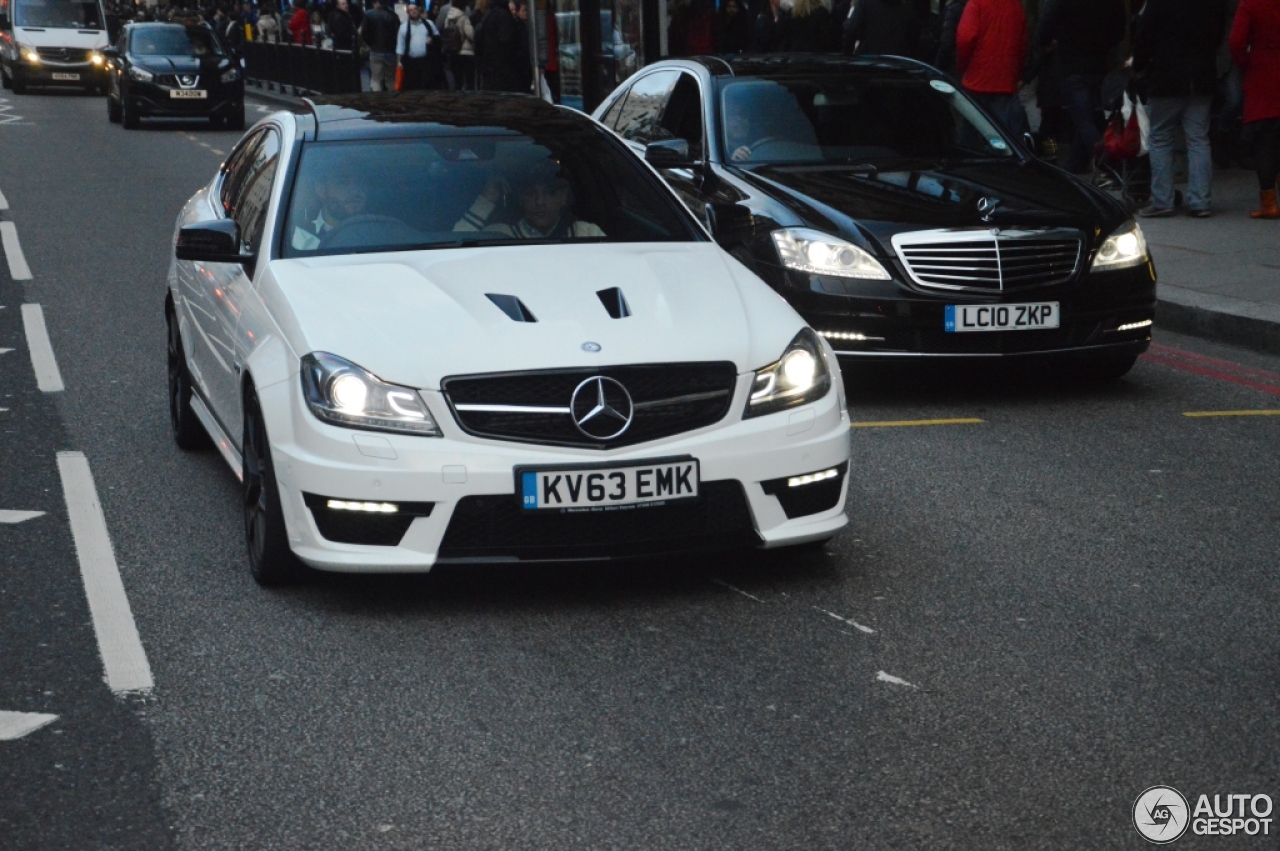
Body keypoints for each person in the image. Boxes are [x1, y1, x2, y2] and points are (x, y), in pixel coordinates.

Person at [1132, 0, 1228, 217]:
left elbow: (1144, 37)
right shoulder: (1213, 4)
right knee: (1198, 139)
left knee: (1160, 138)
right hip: (1202, 75)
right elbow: (1218, 35)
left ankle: (1162, 200)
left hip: (1167, 76)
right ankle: (1200, 201)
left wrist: (1138, 65)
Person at [1035, 0, 1127, 174]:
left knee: (1083, 121)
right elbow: (1119, 32)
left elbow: (1043, 31)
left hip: (1072, 64)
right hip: (1099, 63)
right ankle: (1074, 168)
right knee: (1085, 119)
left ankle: (1109, 160)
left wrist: (1056, 39)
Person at [454, 160, 604, 239]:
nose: (539, 201)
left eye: (549, 193)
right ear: (520, 199)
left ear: (563, 197)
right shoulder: (500, 234)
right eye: (531, 194)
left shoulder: (586, 233)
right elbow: (453, 250)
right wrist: (486, 200)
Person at [1229, 0, 1280, 218]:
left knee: (1266, 142)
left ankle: (1269, 203)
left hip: (1264, 73)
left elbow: (1236, 42)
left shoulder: (1251, 4)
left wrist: (1247, 62)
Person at [954, 0, 1029, 136]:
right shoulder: (1015, 6)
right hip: (1005, 81)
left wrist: (963, 65)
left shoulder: (976, 4)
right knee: (1003, 135)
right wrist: (1016, 72)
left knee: (971, 135)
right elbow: (1022, 44)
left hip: (976, 79)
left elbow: (965, 38)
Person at [291, 171, 369, 250]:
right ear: (321, 190)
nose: (354, 191)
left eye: (360, 182)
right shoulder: (298, 238)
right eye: (342, 182)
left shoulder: (378, 234)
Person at [476, 0, 526, 92]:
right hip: (502, 69)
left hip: (489, 66)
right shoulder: (503, 16)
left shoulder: (488, 14)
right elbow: (506, 41)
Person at [397, 0, 438, 90]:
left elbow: (438, 38)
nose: (414, 11)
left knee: (426, 85)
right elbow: (400, 46)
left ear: (419, 10)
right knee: (413, 86)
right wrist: (399, 62)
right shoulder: (403, 27)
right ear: (408, 13)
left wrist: (433, 40)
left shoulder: (429, 24)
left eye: (415, 9)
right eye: (411, 10)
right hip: (411, 62)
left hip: (426, 61)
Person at [361, 0, 400, 91]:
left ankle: (377, 101)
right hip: (390, 51)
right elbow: (398, 34)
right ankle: (392, 100)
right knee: (390, 79)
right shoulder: (394, 16)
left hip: (376, 50)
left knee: (376, 80)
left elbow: (364, 33)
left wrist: (370, 44)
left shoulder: (369, 14)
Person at [439, 0, 476, 89]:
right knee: (469, 80)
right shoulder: (464, 17)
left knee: (457, 80)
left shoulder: (448, 18)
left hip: (453, 51)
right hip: (466, 52)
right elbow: (471, 35)